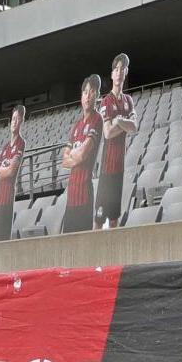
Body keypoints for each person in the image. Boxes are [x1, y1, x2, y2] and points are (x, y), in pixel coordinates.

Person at [59, 74, 103, 235]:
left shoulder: (97, 119)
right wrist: (74, 155)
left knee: (82, 245)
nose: (88, 96)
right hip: (71, 195)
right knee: (68, 245)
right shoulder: (76, 125)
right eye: (85, 92)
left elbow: (83, 155)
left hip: (85, 194)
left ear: (97, 95)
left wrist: (74, 154)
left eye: (92, 92)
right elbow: (64, 161)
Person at [97, 53, 136, 228]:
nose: (119, 72)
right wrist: (124, 123)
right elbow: (107, 133)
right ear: (112, 74)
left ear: (126, 72)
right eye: (116, 69)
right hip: (106, 169)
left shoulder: (128, 100)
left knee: (114, 219)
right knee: (98, 219)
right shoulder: (106, 101)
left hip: (119, 168)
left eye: (122, 69)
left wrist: (118, 120)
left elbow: (134, 127)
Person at [0, 105, 27, 242]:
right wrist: (1, 169)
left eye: (17, 119)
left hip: (7, 199)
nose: (14, 122)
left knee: (2, 239)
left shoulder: (20, 143)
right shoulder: (5, 147)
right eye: (13, 119)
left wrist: (0, 170)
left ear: (22, 121)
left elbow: (10, 171)